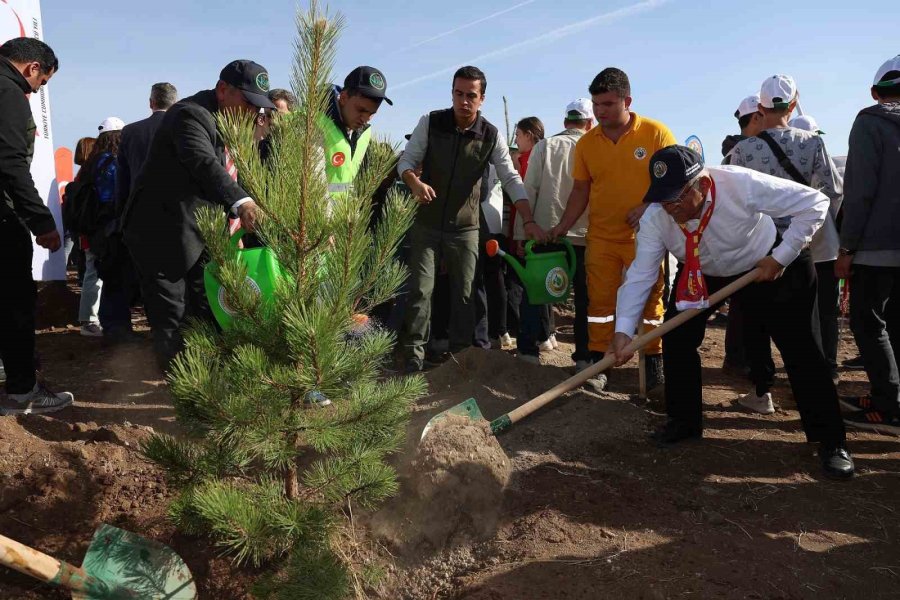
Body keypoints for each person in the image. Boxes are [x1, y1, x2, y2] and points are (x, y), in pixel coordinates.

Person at [610, 145, 853, 479]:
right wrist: (622, 331)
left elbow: (815, 202)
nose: (670, 209)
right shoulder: (657, 216)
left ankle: (831, 440)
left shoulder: (739, 184)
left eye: (677, 200)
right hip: (702, 270)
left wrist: (781, 256)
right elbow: (641, 275)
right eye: (662, 200)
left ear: (703, 186)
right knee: (678, 338)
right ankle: (684, 421)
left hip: (764, 263)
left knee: (801, 349)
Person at [122, 59, 274, 370]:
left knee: (207, 309)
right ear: (223, 90)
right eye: (247, 102)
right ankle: (179, 390)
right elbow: (205, 164)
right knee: (173, 316)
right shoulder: (189, 115)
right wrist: (243, 204)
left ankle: (205, 381)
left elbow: (240, 172)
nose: (251, 113)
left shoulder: (233, 121)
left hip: (201, 232)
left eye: (257, 107)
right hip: (161, 233)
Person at [547, 68, 677, 392]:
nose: (599, 111)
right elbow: (580, 191)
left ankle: (653, 362)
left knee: (650, 301)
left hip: (645, 238)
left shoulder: (657, 134)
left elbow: (677, 181)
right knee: (600, 305)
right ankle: (598, 364)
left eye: (607, 104)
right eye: (596, 104)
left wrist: (648, 206)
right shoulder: (587, 144)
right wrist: (562, 226)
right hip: (601, 237)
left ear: (627, 101)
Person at [398, 65, 529, 372]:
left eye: (471, 95)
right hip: (427, 223)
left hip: (466, 227)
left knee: (466, 294)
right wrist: (415, 184)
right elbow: (406, 160)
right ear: (452, 93)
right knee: (420, 291)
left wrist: (528, 217)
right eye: (458, 94)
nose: (464, 101)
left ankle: (457, 363)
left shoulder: (491, 135)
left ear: (482, 99)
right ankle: (414, 361)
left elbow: (510, 177)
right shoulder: (430, 123)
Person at [730, 75, 843, 412]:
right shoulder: (813, 144)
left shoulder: (743, 149)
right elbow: (830, 194)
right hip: (799, 248)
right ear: (793, 105)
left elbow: (735, 201)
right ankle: (813, 400)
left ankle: (761, 392)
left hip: (758, 248)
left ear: (760, 108)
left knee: (756, 321)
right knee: (806, 328)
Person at [0, 37, 73, 416]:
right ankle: (22, 392)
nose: (37, 89)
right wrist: (42, 222)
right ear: (32, 69)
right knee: (14, 301)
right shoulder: (8, 94)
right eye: (41, 82)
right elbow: (11, 165)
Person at [836, 55, 900, 434]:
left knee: (869, 324)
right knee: (895, 325)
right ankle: (885, 396)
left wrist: (847, 249)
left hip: (875, 248)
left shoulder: (869, 123)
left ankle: (889, 405)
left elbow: (860, 192)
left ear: (875, 92)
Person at [514, 100, 593, 367]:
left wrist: (522, 233)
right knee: (586, 299)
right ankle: (584, 358)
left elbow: (529, 189)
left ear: (564, 122)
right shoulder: (595, 147)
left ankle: (527, 352)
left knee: (536, 292)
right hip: (584, 236)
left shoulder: (545, 146)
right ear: (590, 123)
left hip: (546, 234)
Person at [721, 94, 766, 375]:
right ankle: (739, 359)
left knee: (744, 303)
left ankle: (739, 358)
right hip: (746, 237)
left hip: (748, 236)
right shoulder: (739, 153)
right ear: (756, 117)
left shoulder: (734, 149)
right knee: (744, 303)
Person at [77, 118, 124, 338]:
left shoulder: (92, 162)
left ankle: (91, 318)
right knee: (97, 273)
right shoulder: (109, 162)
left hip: (90, 227)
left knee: (93, 271)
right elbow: (110, 198)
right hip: (103, 229)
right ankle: (90, 320)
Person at [322, 66, 392, 197]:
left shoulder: (363, 134)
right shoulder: (313, 123)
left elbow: (346, 184)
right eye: (361, 110)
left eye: (371, 113)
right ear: (343, 98)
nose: (365, 119)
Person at [116, 82, 178, 204]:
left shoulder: (130, 131)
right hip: (176, 210)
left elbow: (122, 179)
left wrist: (121, 214)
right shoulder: (184, 129)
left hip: (138, 207)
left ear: (151, 102)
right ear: (175, 103)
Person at [721, 94, 765, 164]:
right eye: (766, 115)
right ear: (756, 118)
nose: (771, 119)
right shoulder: (758, 152)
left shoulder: (732, 152)